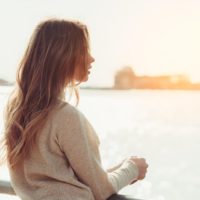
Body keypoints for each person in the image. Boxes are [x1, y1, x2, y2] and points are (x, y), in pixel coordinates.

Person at [1, 19, 148, 200]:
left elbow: (68, 180)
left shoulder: (16, 111)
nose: (92, 58)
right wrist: (132, 169)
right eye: (84, 50)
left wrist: (118, 169)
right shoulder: (65, 117)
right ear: (64, 56)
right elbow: (101, 191)